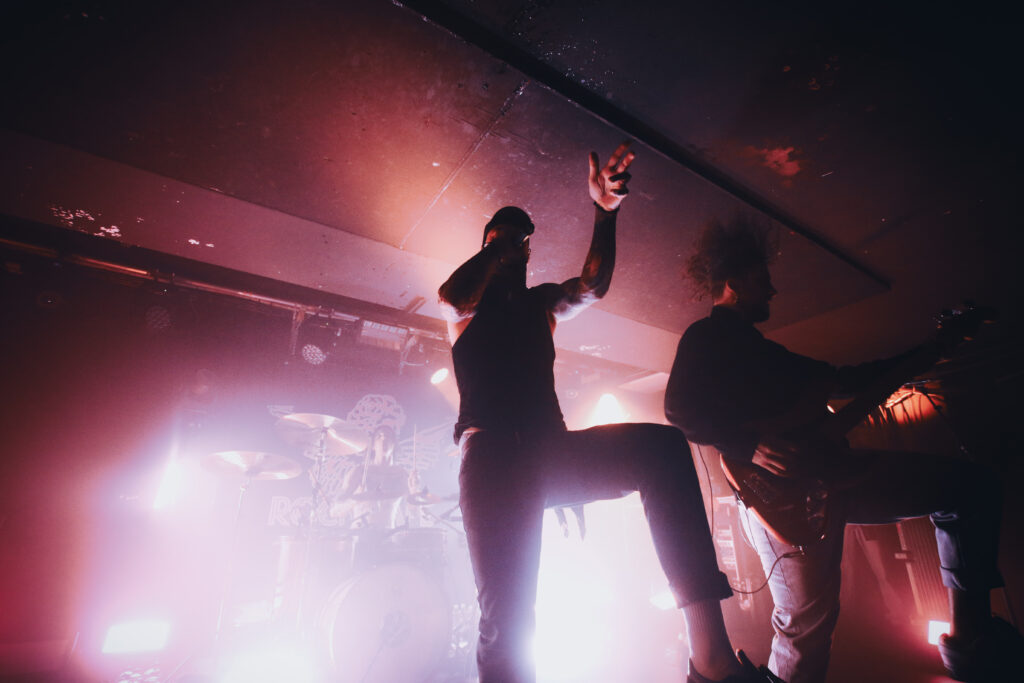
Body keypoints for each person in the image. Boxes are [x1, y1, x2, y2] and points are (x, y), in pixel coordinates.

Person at [438, 143, 776, 683]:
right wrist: (500, 243)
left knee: (661, 449)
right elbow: (452, 296)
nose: (517, 246)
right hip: (492, 458)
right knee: (508, 619)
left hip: (549, 449)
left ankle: (711, 660)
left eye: (522, 240)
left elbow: (591, 286)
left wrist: (605, 212)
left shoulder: (541, 305)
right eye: (505, 236)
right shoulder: (466, 310)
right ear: (488, 244)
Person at [664, 215, 1018, 683]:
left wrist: (935, 348)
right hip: (780, 503)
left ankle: (971, 638)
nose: (772, 289)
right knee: (806, 635)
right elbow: (679, 409)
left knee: (970, 487)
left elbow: (849, 380)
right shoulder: (704, 338)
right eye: (762, 279)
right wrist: (750, 446)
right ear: (734, 283)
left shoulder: (768, 354)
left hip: (835, 476)